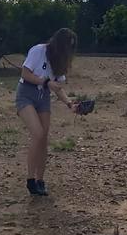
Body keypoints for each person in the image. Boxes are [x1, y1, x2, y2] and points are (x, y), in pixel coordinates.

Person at [15, 28, 79, 196]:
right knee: (37, 133)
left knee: (43, 138)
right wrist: (45, 82)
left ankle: (40, 180)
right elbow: (25, 73)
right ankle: (30, 179)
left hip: (43, 97)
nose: (68, 51)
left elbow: (58, 88)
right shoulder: (38, 50)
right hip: (26, 94)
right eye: (66, 46)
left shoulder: (60, 62)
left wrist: (70, 103)